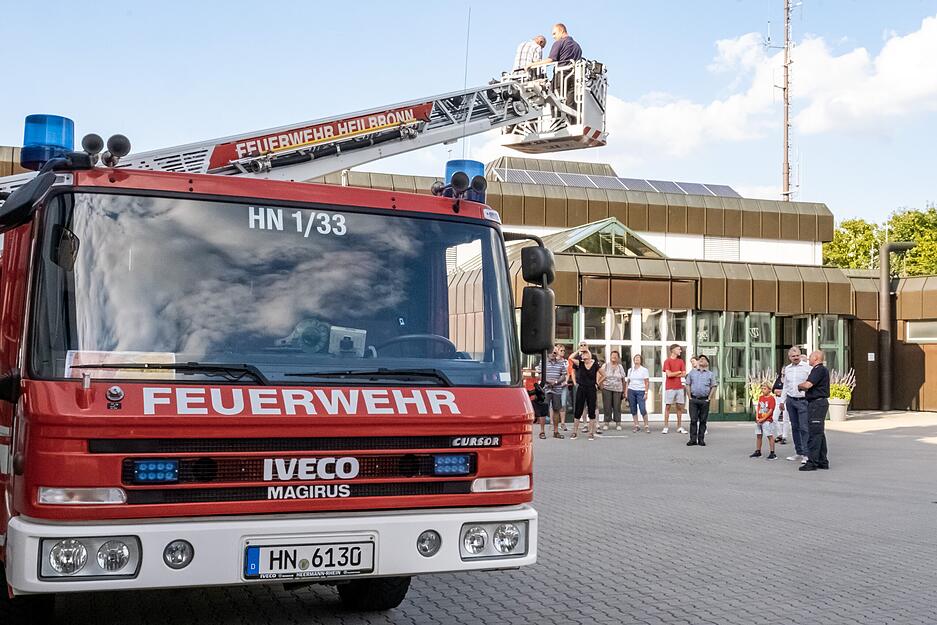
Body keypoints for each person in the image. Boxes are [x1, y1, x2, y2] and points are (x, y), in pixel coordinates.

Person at [798, 350, 830, 471]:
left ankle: (812, 462)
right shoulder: (821, 370)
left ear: (816, 358)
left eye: (810, 356)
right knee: (819, 433)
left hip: (816, 404)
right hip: (819, 403)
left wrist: (799, 386)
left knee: (814, 434)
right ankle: (822, 461)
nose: (808, 358)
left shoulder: (818, 370)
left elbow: (807, 385)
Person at [779, 347, 812, 463]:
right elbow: (785, 386)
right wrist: (782, 401)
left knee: (804, 427)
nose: (796, 358)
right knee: (795, 427)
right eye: (793, 356)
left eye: (797, 355)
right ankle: (799, 452)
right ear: (789, 358)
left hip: (803, 401)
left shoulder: (807, 368)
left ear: (800, 355)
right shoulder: (787, 369)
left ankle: (807, 454)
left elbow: (812, 383)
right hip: (791, 400)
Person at [685, 355, 717, 446]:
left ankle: (701, 439)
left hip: (704, 400)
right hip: (694, 399)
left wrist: (709, 398)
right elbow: (687, 384)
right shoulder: (692, 373)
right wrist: (689, 397)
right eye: (700, 359)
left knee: (703, 420)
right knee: (693, 420)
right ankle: (693, 439)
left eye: (704, 359)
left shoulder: (710, 374)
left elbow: (713, 386)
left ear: (707, 363)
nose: (701, 360)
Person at [569, 348, 600, 440]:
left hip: (591, 388)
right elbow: (570, 358)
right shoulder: (580, 363)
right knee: (578, 409)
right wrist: (579, 350)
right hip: (581, 388)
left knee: (591, 410)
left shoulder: (595, 365)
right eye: (583, 354)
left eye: (586, 353)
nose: (584, 355)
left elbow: (604, 375)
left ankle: (591, 433)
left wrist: (597, 383)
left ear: (590, 355)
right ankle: (574, 432)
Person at [539, 345, 568, 439]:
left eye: (555, 352)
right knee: (543, 410)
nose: (553, 354)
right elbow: (540, 375)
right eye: (551, 352)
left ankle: (556, 431)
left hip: (557, 389)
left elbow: (564, 375)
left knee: (556, 409)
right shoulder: (543, 362)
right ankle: (542, 431)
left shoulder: (561, 363)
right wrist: (548, 381)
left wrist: (556, 382)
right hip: (545, 389)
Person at [597, 350, 625, 431]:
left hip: (617, 389)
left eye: (616, 356)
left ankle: (618, 423)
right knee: (607, 406)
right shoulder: (605, 365)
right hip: (607, 388)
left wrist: (624, 390)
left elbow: (623, 379)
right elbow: (599, 375)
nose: (614, 357)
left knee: (617, 406)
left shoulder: (620, 367)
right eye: (613, 356)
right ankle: (606, 423)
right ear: (610, 357)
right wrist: (600, 385)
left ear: (618, 358)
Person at [662, 344, 687, 434]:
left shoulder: (681, 361)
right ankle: (665, 426)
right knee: (668, 406)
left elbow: (684, 374)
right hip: (670, 387)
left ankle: (679, 426)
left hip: (679, 387)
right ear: (672, 350)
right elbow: (669, 374)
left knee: (679, 407)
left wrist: (675, 373)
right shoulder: (667, 361)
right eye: (678, 349)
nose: (680, 351)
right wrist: (679, 372)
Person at [750, 383, 777, 459]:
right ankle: (758, 451)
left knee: (769, 435)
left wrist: (763, 419)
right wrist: (757, 417)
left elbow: (770, 410)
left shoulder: (771, 398)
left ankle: (772, 453)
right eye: (762, 388)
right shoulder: (761, 397)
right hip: (760, 420)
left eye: (764, 389)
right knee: (758, 435)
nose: (763, 390)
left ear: (769, 390)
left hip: (767, 420)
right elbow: (758, 408)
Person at [626, 353, 650, 432]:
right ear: (633, 360)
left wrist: (646, 393)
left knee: (642, 408)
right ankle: (636, 425)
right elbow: (628, 382)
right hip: (631, 390)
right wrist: (626, 392)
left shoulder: (644, 370)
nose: (637, 359)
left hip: (641, 391)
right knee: (633, 409)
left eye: (638, 358)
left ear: (641, 360)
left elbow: (646, 382)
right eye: (635, 358)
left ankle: (646, 425)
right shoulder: (630, 370)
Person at [772, 375, 788, 445]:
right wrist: (781, 391)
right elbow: (773, 390)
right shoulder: (778, 379)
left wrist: (780, 392)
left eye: (785, 369)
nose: (784, 371)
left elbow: (788, 391)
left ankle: (784, 436)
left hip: (786, 400)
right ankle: (780, 434)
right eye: (783, 369)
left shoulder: (788, 380)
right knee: (774, 418)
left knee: (785, 419)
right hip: (778, 400)